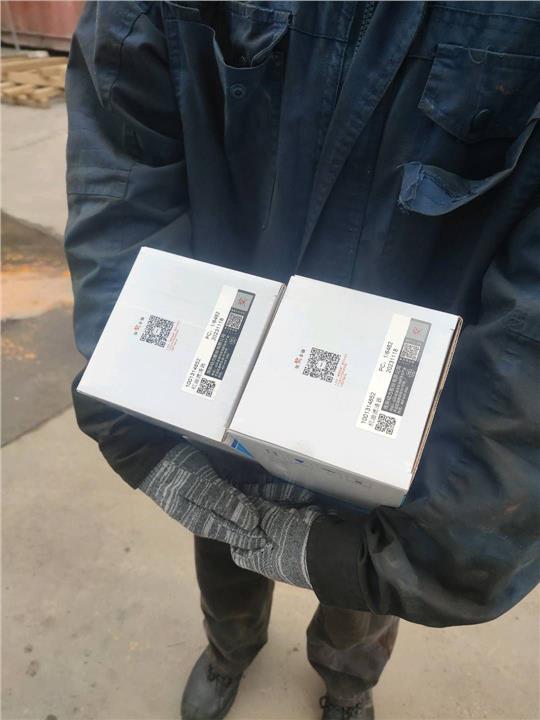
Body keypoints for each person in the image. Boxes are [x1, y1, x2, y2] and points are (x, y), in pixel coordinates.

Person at [64, 2, 540, 719]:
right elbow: (122, 156)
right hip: (218, 399)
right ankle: (230, 649)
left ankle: (347, 687)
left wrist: (443, 537)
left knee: (357, 602)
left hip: (388, 434)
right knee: (222, 542)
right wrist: (135, 400)